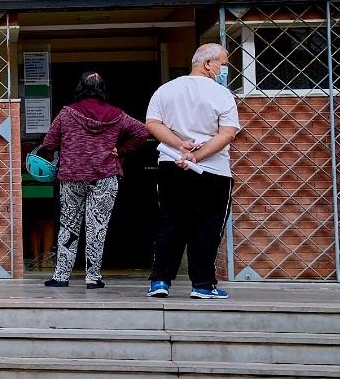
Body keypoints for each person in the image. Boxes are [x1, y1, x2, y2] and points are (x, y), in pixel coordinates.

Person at [144, 43, 242, 300]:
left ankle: (160, 281)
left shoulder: (166, 90)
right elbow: (228, 133)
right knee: (207, 227)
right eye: (223, 63)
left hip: (171, 165)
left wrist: (179, 147)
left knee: (170, 223)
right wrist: (197, 156)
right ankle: (202, 284)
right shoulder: (222, 95)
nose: (225, 68)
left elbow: (152, 123)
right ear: (207, 64)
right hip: (213, 170)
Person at [39, 72, 152, 290]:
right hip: (105, 177)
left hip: (72, 176)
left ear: (80, 87)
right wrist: (120, 150)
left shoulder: (67, 113)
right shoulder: (117, 115)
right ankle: (93, 277)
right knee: (97, 227)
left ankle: (61, 276)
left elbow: (49, 143)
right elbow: (142, 132)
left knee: (69, 225)